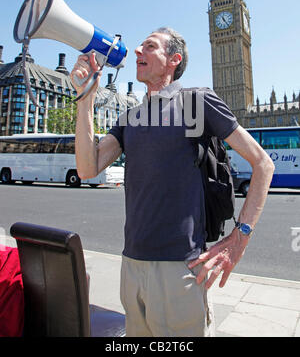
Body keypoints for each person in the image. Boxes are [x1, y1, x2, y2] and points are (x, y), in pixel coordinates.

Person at [71, 27, 274, 337]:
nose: (137, 50)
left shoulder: (196, 102)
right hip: (131, 267)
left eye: (149, 46)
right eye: (139, 46)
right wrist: (85, 98)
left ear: (173, 60)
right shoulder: (130, 118)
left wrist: (238, 240)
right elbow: (87, 169)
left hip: (179, 269)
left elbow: (263, 163)